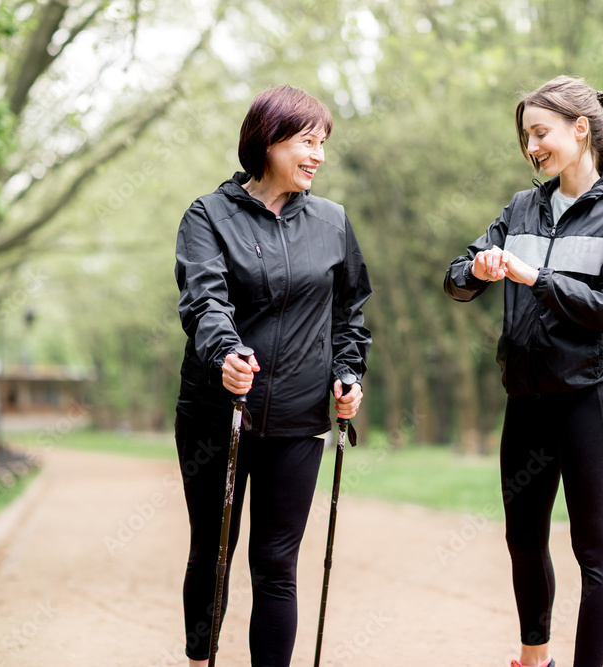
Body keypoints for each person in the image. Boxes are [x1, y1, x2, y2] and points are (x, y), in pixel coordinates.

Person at [444, 75, 603, 667]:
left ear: (580, 129)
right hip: (527, 400)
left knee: (594, 551)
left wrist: (537, 278)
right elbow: (455, 278)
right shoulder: (521, 208)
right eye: (526, 136)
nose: (531, 146)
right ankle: (535, 660)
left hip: (589, 401)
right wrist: (478, 271)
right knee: (523, 540)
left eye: (541, 132)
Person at [174, 84, 372, 666]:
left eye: (322, 144)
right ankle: (199, 660)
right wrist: (226, 356)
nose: (318, 156)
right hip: (216, 414)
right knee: (212, 552)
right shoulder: (207, 216)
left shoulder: (333, 222)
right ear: (268, 142)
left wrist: (347, 373)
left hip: (296, 419)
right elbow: (204, 302)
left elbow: (349, 314)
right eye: (307, 142)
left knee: (277, 564)